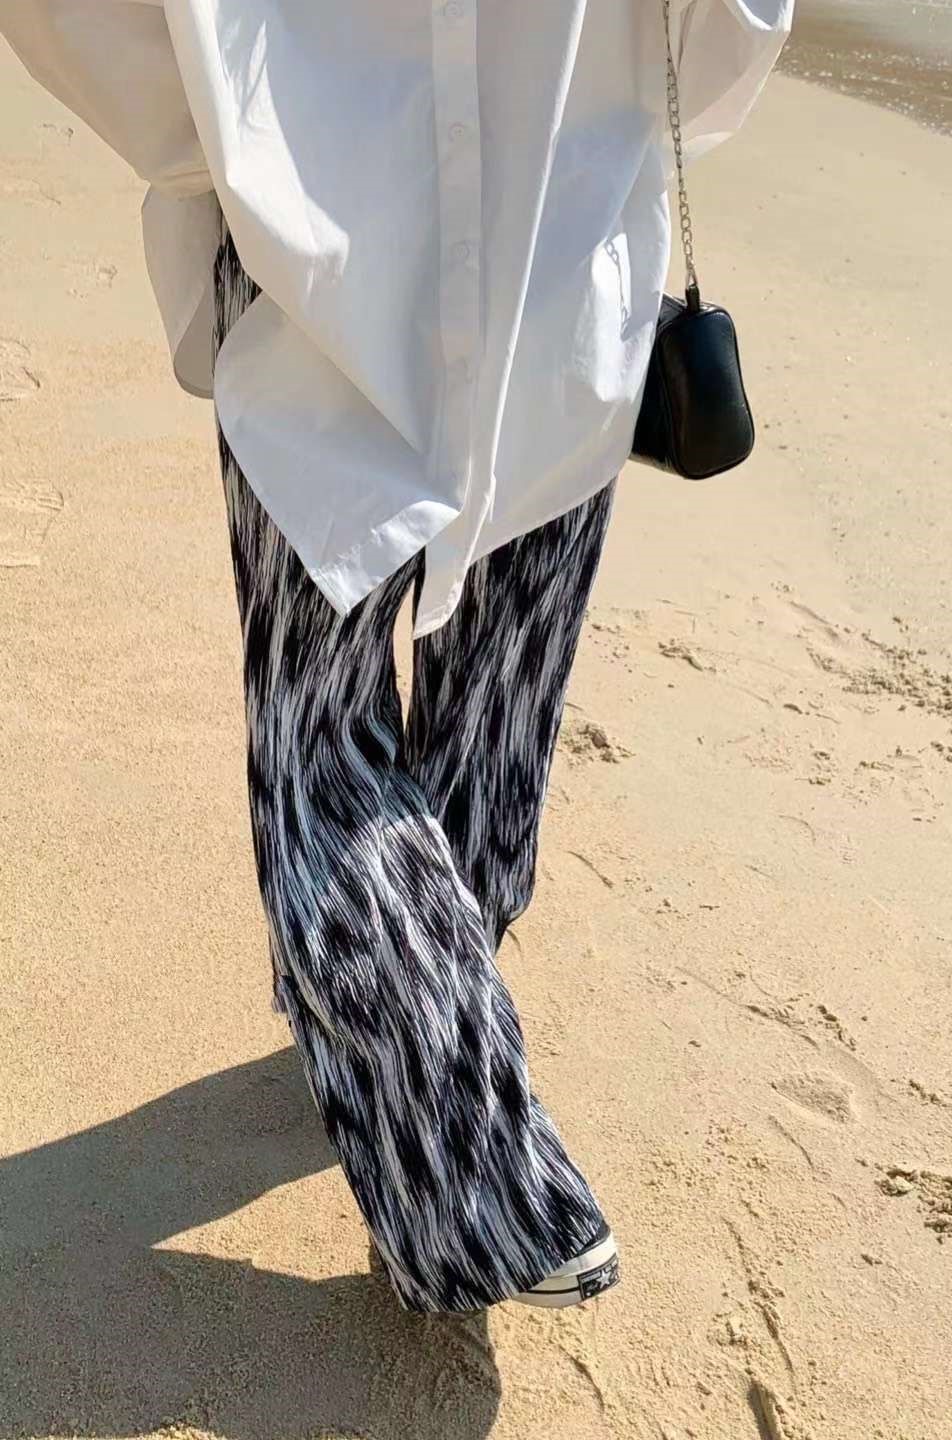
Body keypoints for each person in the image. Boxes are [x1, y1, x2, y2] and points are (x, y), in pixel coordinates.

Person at [2, 0, 792, 1313]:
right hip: (554, 255)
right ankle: (452, 1134)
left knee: (344, 743)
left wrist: (231, 148)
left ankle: (431, 1108)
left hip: (327, 270)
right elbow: (725, 38)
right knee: (488, 716)